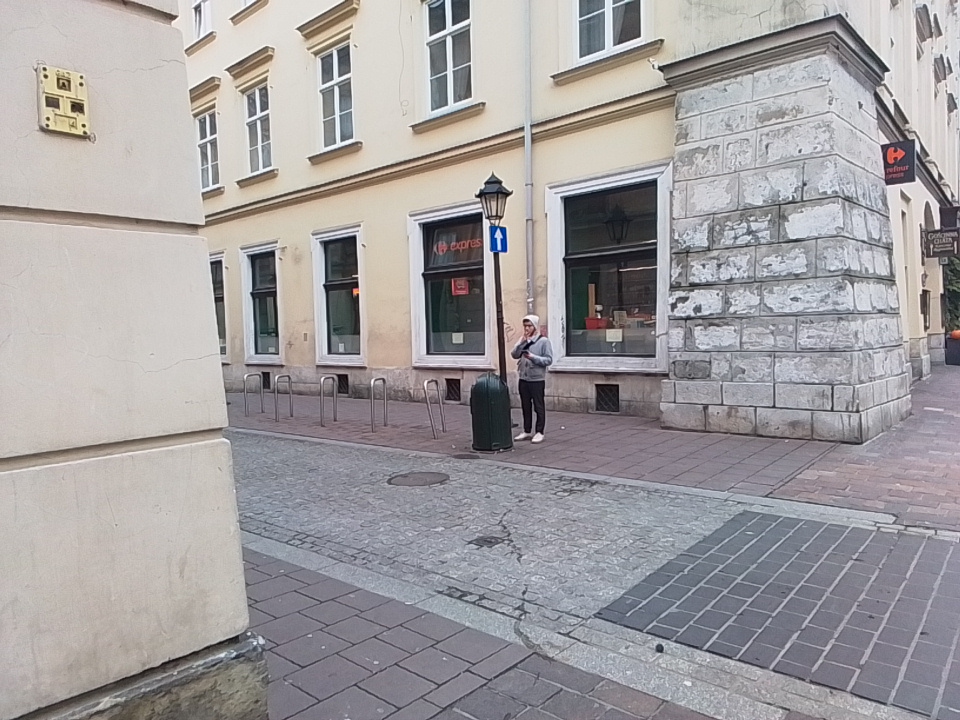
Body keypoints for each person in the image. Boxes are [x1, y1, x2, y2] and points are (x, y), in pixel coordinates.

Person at [510, 314, 553, 443]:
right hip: (523, 378)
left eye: (529, 326)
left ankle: (539, 431)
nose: (527, 328)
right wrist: (521, 343)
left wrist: (533, 357)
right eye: (525, 326)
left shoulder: (543, 341)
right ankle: (527, 430)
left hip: (537, 379)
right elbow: (514, 355)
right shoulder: (523, 339)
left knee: (538, 406)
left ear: (535, 327)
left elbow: (548, 359)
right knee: (525, 405)